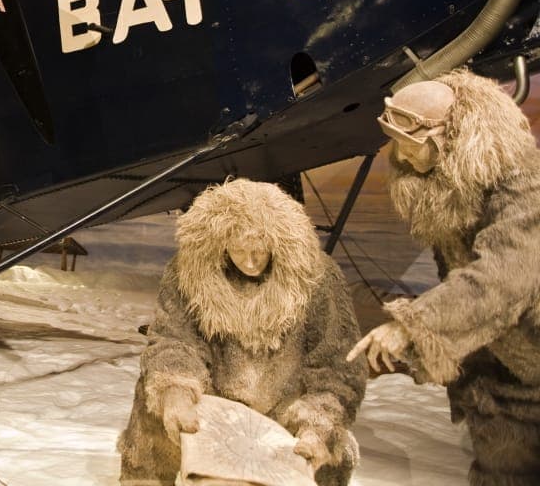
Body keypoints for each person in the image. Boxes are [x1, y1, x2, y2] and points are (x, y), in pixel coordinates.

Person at [348, 69, 540, 485]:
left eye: (412, 145)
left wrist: (412, 326)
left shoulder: (526, 186)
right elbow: (457, 281)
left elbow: (501, 279)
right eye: (398, 145)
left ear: (449, 138)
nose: (404, 158)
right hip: (501, 379)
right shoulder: (449, 192)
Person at [119, 178, 366, 486]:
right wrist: (177, 391)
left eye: (260, 251)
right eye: (239, 250)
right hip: (215, 406)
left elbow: (338, 365)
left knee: (327, 452)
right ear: (220, 243)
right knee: (157, 392)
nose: (250, 262)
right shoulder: (189, 272)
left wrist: (318, 423)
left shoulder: (317, 277)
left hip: (288, 413)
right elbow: (175, 340)